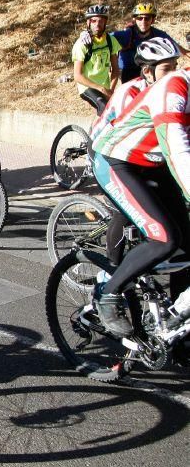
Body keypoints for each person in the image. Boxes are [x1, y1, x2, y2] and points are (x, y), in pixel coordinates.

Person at [90, 61, 190, 337]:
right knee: (165, 238)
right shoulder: (174, 87)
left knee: (186, 244)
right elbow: (178, 150)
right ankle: (108, 294)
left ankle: (174, 329)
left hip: (154, 164)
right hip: (117, 161)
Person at [88, 38, 182, 275]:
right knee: (126, 212)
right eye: (167, 69)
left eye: (176, 66)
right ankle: (110, 271)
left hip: (144, 157)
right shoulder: (130, 92)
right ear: (148, 71)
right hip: (107, 153)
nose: (175, 74)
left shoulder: (172, 92)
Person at [113, 3, 189, 83]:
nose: (143, 21)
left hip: (148, 71)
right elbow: (105, 39)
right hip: (128, 71)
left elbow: (182, 50)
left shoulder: (158, 34)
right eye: (140, 18)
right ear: (134, 19)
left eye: (147, 18)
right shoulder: (126, 34)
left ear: (152, 20)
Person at [72, 4, 121, 116]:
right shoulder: (81, 44)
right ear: (88, 23)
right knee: (103, 107)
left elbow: (116, 70)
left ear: (105, 22)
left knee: (118, 110)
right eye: (93, 21)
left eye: (101, 21)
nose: (97, 24)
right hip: (87, 87)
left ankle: (100, 131)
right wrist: (101, 88)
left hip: (105, 87)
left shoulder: (110, 41)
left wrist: (111, 90)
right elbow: (77, 76)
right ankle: (97, 133)